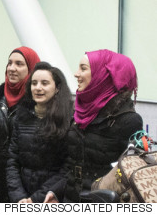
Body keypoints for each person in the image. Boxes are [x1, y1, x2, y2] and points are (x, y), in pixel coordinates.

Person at [44, 50, 143, 203]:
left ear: (104, 75)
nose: (76, 74)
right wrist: (57, 190)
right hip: (71, 198)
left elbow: (130, 175)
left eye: (83, 68)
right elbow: (76, 165)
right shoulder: (82, 112)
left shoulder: (128, 120)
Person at [6, 62, 73, 203]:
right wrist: (19, 197)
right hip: (21, 198)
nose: (38, 88)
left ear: (57, 88)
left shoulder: (68, 119)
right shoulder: (21, 117)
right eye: (34, 83)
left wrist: (35, 199)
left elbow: (67, 167)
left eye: (45, 83)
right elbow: (12, 161)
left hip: (51, 197)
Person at [0, 46, 40, 202]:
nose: (12, 68)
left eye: (19, 64)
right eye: (10, 63)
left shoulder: (37, 101)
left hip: (25, 183)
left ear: (31, 69)